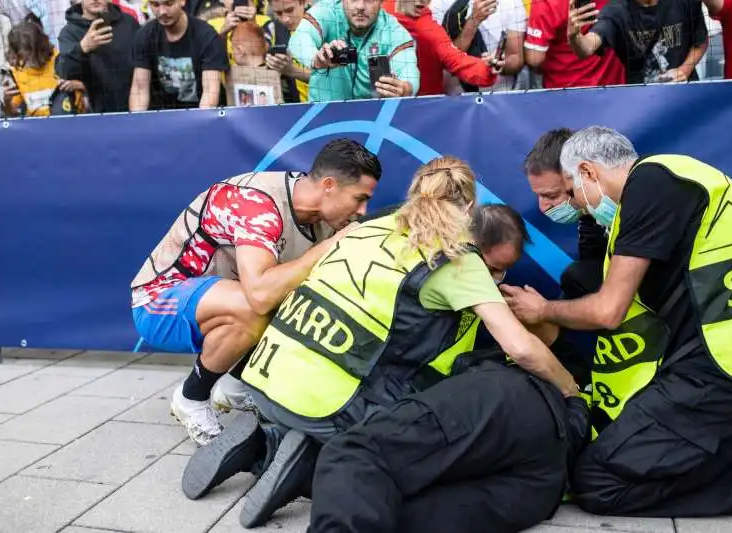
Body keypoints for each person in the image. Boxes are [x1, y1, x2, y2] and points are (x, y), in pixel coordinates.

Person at [180, 157, 581, 529]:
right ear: (470, 211)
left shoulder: (369, 226)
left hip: (265, 381)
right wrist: (569, 387)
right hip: (328, 410)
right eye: (497, 268)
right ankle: (301, 465)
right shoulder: (455, 259)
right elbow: (523, 349)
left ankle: (266, 438)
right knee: (409, 446)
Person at [504, 125, 732, 517]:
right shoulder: (671, 180)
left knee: (595, 482)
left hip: (721, 365)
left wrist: (542, 312)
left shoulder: (651, 183)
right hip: (713, 357)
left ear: (588, 172)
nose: (578, 206)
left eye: (572, 192)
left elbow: (609, 310)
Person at [130, 138, 382, 446]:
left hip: (218, 299)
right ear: (329, 185)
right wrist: (329, 247)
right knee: (256, 305)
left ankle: (235, 389)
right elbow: (260, 295)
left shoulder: (324, 218)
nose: (362, 210)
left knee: (308, 300)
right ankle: (191, 399)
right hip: (158, 302)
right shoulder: (258, 202)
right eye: (359, 199)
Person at [524, 128, 608, 299]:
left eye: (551, 195)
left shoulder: (636, 207)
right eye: (539, 195)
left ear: (584, 175)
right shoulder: (589, 218)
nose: (543, 207)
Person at [288, 0, 420, 101]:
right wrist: (315, 58)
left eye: (369, 0)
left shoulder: (394, 31)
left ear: (381, 1)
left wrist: (405, 88)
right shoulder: (325, 11)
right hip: (324, 115)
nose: (360, 6)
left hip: (371, 121)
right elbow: (299, 39)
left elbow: (409, 72)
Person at [567, 0, 708, 84]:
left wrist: (684, 69)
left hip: (685, 92)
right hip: (641, 100)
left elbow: (701, 41)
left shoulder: (684, 2)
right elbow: (587, 48)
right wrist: (574, 36)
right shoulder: (617, 11)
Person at [384, 0, 499, 96]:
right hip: (378, 106)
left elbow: (458, 61)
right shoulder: (376, 14)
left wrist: (487, 68)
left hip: (427, 107)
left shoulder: (429, 30)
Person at [129, 0, 229, 110]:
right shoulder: (145, 36)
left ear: (182, 1)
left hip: (202, 116)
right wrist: (137, 124)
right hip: (163, 116)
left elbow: (210, 92)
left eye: (169, 4)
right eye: (155, 5)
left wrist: (199, 125)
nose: (162, 11)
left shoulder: (206, 37)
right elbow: (140, 90)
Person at [57, 0, 140, 113]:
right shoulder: (69, 33)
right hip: (98, 114)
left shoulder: (129, 23)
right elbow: (65, 72)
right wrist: (83, 48)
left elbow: (146, 62)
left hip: (137, 108)